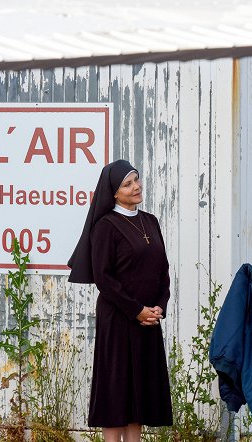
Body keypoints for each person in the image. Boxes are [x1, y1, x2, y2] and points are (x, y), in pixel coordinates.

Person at [67, 159, 173, 442]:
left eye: (136, 179)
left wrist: (158, 307)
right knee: (116, 392)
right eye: (127, 183)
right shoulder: (106, 226)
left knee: (139, 393)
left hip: (148, 321)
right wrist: (137, 310)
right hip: (118, 319)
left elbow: (163, 271)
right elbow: (104, 279)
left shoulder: (150, 221)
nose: (136, 186)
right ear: (114, 191)